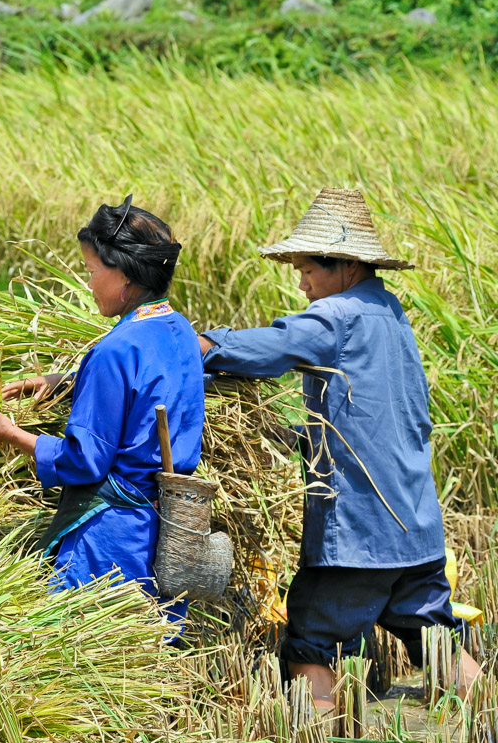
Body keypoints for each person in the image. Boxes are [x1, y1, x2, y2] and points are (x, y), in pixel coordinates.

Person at [198, 187, 480, 708]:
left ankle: (319, 725)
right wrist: (297, 438)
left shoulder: (339, 315)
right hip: (416, 527)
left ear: (346, 265)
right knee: (435, 638)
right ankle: (483, 721)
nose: (303, 284)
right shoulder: (391, 315)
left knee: (311, 637)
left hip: (361, 534)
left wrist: (198, 346)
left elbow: (272, 348)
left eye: (309, 270)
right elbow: (379, 416)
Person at [0, 195, 204, 623]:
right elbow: (150, 386)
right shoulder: (179, 330)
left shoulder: (114, 351)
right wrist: (62, 381)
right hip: (163, 528)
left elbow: (85, 462)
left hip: (110, 540)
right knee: (147, 659)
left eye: (91, 271)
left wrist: (12, 435)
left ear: (125, 276)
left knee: (91, 659)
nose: (88, 282)